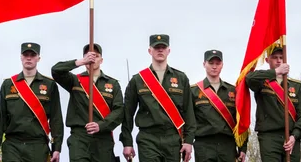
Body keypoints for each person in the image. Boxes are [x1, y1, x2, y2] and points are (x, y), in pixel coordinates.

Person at [120, 34, 196, 162]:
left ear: (168, 50)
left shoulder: (181, 78)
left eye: (163, 47)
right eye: (156, 48)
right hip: (148, 138)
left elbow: (189, 112)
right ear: (150, 51)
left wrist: (188, 141)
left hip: (173, 138)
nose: (160, 50)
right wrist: (127, 142)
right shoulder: (138, 80)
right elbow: (127, 114)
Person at [51, 43, 124, 162]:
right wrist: (78, 62)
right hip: (80, 137)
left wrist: (101, 125)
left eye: (95, 55)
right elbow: (56, 71)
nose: (92, 58)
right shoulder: (75, 81)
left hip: (103, 138)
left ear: (101, 60)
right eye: (88, 55)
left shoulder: (113, 84)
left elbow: (119, 110)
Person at [0, 42, 64, 162]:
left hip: (37, 145)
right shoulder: (8, 84)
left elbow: (56, 118)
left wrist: (57, 148)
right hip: (12, 144)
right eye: (25, 55)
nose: (29, 58)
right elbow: (0, 116)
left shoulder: (49, 85)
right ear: (21, 57)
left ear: (38, 58)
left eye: (32, 55)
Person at [245, 44, 301, 162]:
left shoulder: (296, 86)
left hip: (291, 137)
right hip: (269, 137)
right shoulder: (262, 81)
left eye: (281, 57)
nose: (279, 61)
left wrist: (295, 136)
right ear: (267, 60)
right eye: (275, 57)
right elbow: (248, 78)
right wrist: (275, 72)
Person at [191, 49, 246, 162]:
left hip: (227, 145)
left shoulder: (233, 91)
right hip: (204, 144)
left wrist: (243, 147)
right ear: (204, 64)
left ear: (222, 65)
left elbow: (241, 120)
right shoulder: (194, 91)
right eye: (211, 63)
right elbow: (189, 120)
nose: (214, 67)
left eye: (218, 63)